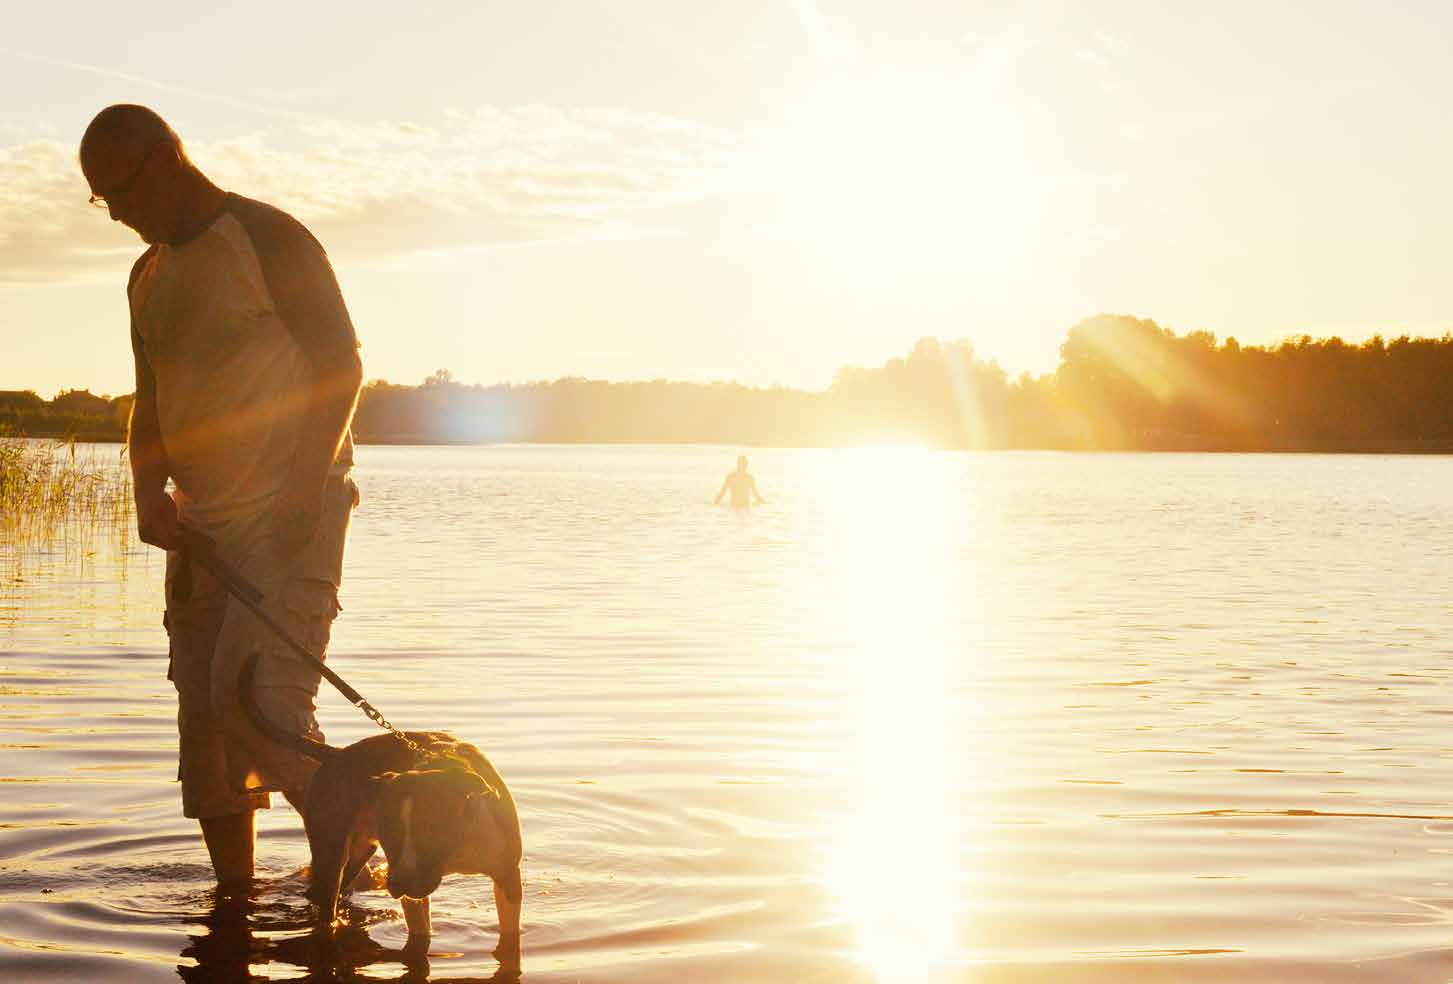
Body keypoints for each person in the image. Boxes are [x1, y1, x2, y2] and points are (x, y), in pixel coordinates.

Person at [79, 105, 364, 891]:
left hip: (290, 520)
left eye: (122, 192)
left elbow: (342, 362)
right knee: (204, 731)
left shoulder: (269, 239)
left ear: (169, 159)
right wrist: (146, 496)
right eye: (103, 201)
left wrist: (305, 489)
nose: (120, 214)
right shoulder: (146, 275)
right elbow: (151, 403)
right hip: (200, 531)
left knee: (263, 710)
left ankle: (357, 842)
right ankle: (234, 908)